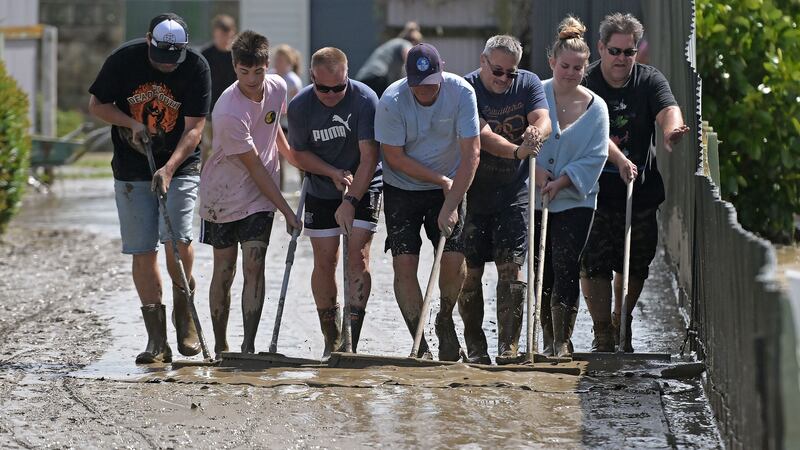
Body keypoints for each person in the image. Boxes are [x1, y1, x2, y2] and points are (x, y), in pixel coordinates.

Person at [88, 13, 211, 364]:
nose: (167, 67)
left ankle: (184, 315)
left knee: (177, 241)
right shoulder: (123, 60)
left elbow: (195, 128)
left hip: (181, 164)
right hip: (131, 165)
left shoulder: (197, 67)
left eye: (173, 60)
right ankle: (157, 340)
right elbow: (97, 105)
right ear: (148, 42)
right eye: (160, 59)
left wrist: (170, 168)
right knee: (143, 249)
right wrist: (131, 123)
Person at [580, 13, 690, 352]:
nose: (621, 59)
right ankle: (602, 332)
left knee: (636, 262)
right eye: (615, 52)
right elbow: (578, 123)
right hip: (593, 190)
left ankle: (622, 317)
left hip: (638, 191)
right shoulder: (585, 81)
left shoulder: (648, 80)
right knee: (593, 262)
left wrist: (672, 131)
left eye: (629, 53)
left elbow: (668, 109)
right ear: (601, 48)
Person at [198, 30, 302, 356]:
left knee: (254, 264)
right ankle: (220, 344)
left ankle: (248, 347)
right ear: (234, 69)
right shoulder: (228, 111)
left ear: (268, 65)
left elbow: (274, 134)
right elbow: (254, 166)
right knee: (225, 270)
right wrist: (287, 210)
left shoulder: (279, 87)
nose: (252, 80)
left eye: (258, 71)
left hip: (260, 196)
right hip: (223, 195)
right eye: (244, 73)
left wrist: (297, 160)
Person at [374, 43, 481, 360]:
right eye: (417, 86)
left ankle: (445, 318)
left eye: (431, 84)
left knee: (452, 261)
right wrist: (439, 180)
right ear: (407, 79)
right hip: (403, 188)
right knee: (404, 264)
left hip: (450, 186)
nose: (424, 92)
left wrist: (450, 203)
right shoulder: (392, 100)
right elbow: (393, 158)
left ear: (442, 70)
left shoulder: (461, 93)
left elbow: (471, 154)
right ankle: (419, 344)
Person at [460, 35, 551, 365]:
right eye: (496, 70)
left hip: (513, 190)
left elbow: (544, 118)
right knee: (469, 272)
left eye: (509, 73)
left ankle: (508, 348)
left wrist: (536, 132)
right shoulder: (466, 88)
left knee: (511, 268)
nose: (502, 79)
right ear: (483, 61)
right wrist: (516, 150)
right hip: (472, 189)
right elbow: (481, 135)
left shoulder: (527, 84)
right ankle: (475, 345)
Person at [287, 47, 381, 356]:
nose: (331, 94)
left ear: (347, 76)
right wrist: (331, 172)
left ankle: (351, 338)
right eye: (323, 88)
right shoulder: (300, 106)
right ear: (312, 76)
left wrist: (351, 199)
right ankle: (332, 337)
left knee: (358, 257)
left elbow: (370, 158)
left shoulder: (365, 99)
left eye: (338, 87)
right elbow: (298, 155)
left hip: (363, 182)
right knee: (326, 260)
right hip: (320, 185)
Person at [534, 17, 609, 358]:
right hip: (536, 198)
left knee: (566, 266)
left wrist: (563, 181)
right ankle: (545, 336)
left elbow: (596, 156)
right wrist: (536, 173)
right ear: (552, 62)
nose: (570, 73)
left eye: (578, 68)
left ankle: (561, 341)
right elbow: (520, 137)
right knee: (542, 267)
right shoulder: (535, 93)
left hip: (577, 199)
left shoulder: (597, 108)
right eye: (565, 66)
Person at [200, 14, 238, 162]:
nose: (225, 39)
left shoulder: (236, 55)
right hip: (209, 110)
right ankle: (203, 182)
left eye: (228, 35)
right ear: (215, 33)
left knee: (228, 151)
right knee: (206, 149)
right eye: (221, 34)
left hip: (231, 111)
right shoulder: (206, 55)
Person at [355, 21, 423, 97]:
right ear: (414, 42)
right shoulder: (404, 43)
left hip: (363, 78)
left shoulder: (393, 43)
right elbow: (410, 59)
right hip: (377, 78)